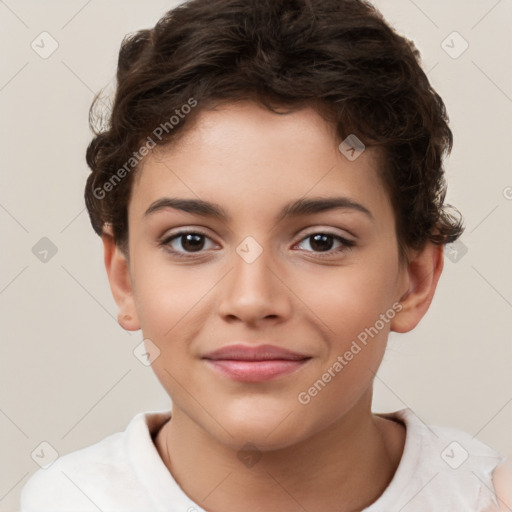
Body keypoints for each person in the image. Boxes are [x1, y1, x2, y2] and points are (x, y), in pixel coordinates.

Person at [19, 0, 511, 510]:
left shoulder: (481, 497)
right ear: (124, 280)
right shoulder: (66, 500)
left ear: (414, 280)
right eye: (191, 241)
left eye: (322, 241)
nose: (251, 300)